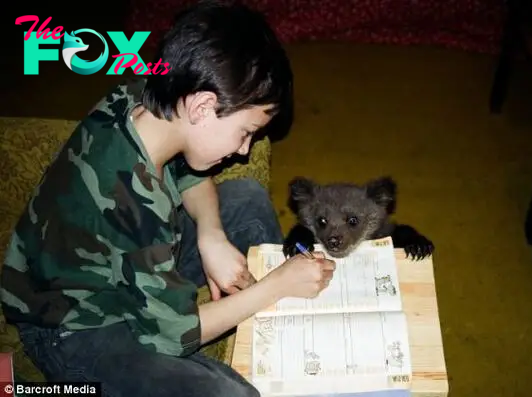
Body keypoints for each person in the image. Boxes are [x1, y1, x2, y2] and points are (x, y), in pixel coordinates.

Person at [0, 1, 336, 396]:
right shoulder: (131, 199)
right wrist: (275, 286)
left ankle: (281, 330)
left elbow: (189, 174)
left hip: (128, 263)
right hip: (72, 325)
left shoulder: (146, 96)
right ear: (203, 107)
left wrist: (211, 236)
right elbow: (175, 334)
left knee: (245, 198)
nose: (245, 150)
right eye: (245, 132)